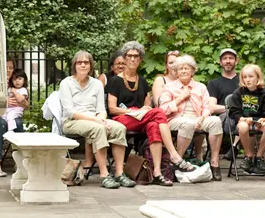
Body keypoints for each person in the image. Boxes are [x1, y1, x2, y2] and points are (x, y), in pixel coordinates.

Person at [107, 42, 195, 186]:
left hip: (142, 118)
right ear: (124, 58)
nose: (133, 59)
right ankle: (174, 155)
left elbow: (147, 102)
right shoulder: (115, 80)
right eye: (130, 56)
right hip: (122, 118)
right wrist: (133, 111)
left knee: (154, 125)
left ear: (141, 59)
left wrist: (145, 109)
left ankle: (157, 173)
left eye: (136, 56)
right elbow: (112, 108)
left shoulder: (141, 80)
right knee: (159, 113)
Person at [59, 50, 135, 189]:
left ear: (91, 65)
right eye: (79, 62)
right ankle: (104, 175)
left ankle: (119, 173)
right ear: (74, 65)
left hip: (95, 120)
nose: (83, 65)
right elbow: (70, 112)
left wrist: (102, 119)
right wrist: (96, 121)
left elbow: (101, 109)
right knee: (99, 129)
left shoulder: (96, 84)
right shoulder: (66, 83)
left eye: (86, 62)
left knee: (119, 128)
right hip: (72, 121)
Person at [159, 55, 224, 181]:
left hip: (198, 118)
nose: (183, 71)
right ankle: (178, 161)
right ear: (176, 72)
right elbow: (163, 110)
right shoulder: (169, 87)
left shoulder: (201, 87)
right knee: (187, 123)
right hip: (176, 119)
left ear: (193, 71)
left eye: (187, 68)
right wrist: (179, 98)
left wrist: (202, 117)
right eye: (180, 69)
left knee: (215, 121)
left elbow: (207, 107)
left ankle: (215, 162)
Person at [0, 58, 28, 177]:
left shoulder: (17, 84)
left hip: (11, 115)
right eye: (6, 68)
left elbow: (26, 105)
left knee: (18, 124)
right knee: (1, 123)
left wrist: (21, 101)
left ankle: (21, 162)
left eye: (11, 68)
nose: (8, 70)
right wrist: (5, 101)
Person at [227, 64, 265, 174]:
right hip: (243, 122)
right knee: (243, 127)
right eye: (245, 77)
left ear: (258, 77)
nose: (247, 80)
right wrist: (242, 118)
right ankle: (249, 156)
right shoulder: (239, 92)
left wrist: (262, 119)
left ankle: (259, 157)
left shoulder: (263, 93)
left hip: (259, 122)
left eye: (251, 76)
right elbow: (234, 111)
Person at [207, 48, 240, 134]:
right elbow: (212, 107)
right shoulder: (213, 83)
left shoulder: (245, 80)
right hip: (226, 119)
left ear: (236, 61)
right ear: (220, 62)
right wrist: (233, 109)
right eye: (225, 58)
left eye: (231, 58)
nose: (228, 61)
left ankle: (235, 146)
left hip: (247, 117)